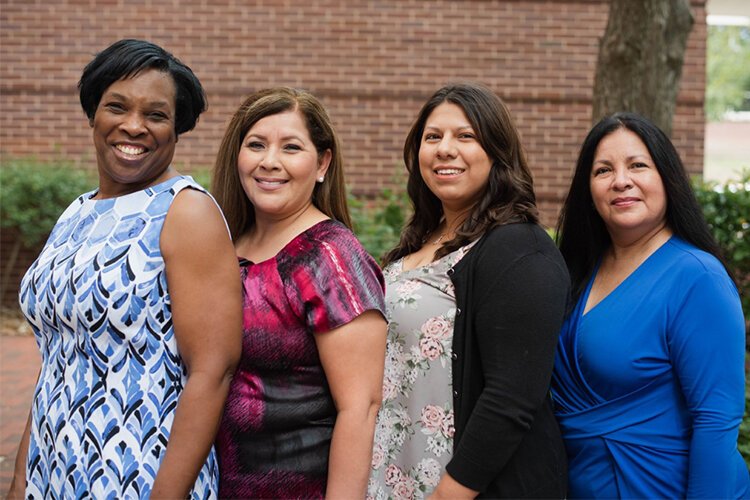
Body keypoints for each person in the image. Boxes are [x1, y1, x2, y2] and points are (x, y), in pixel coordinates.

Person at [7, 39, 242, 499]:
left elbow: (213, 371)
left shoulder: (185, 212)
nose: (133, 126)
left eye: (156, 115)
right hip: (54, 468)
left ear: (177, 129)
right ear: (93, 113)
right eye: (117, 107)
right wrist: (21, 479)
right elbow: (59, 359)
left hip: (138, 471)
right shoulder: (76, 213)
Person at [367, 82, 569, 499]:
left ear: (497, 152)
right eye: (432, 137)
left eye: (465, 136)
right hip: (394, 473)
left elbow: (511, 398)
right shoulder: (419, 242)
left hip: (461, 486)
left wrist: (449, 494)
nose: (445, 149)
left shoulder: (519, 249)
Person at [551, 112, 750, 498]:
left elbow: (715, 422)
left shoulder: (697, 278)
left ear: (667, 178)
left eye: (638, 165)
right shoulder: (577, 270)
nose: (621, 180)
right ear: (588, 191)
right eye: (603, 170)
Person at [211, 87, 388, 498]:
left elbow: (360, 408)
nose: (269, 161)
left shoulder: (331, 258)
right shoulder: (221, 246)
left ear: (322, 162)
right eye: (256, 145)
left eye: (291, 147)